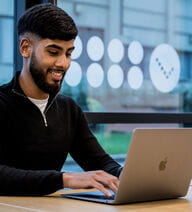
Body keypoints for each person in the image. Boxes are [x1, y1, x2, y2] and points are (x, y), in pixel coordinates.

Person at [0, 3, 122, 196]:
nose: (63, 63)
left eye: (69, 53)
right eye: (53, 52)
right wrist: (66, 179)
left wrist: (126, 175)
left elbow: (100, 162)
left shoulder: (68, 109)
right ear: (25, 48)